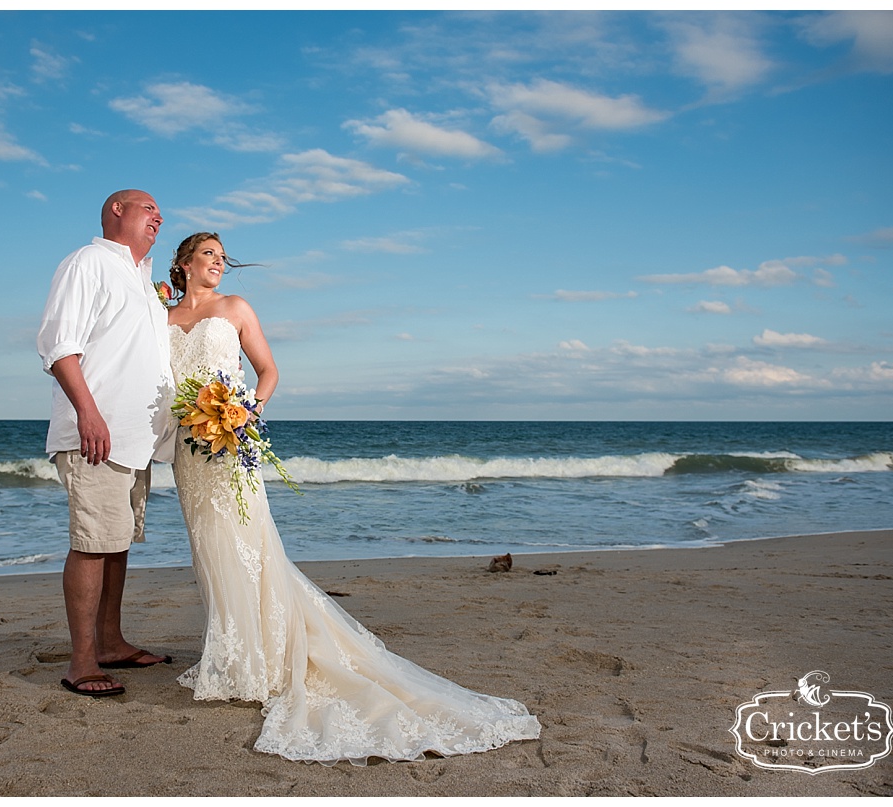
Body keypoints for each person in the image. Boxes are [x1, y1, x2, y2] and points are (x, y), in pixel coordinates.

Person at [166, 232, 541, 763]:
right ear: (183, 264)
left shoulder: (236, 308)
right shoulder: (161, 319)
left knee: (248, 544)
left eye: (223, 258)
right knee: (208, 548)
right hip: (187, 450)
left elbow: (269, 371)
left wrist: (246, 409)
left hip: (228, 444)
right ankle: (230, 655)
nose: (218, 264)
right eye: (208, 255)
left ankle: (259, 659)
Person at [37, 189, 176, 697]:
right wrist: (88, 413)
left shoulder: (142, 279)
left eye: (160, 212)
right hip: (97, 432)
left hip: (136, 440)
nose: (159, 216)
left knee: (115, 544)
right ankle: (81, 662)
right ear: (117, 211)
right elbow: (58, 346)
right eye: (148, 208)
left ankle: (111, 642)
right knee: (92, 545)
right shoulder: (88, 262)